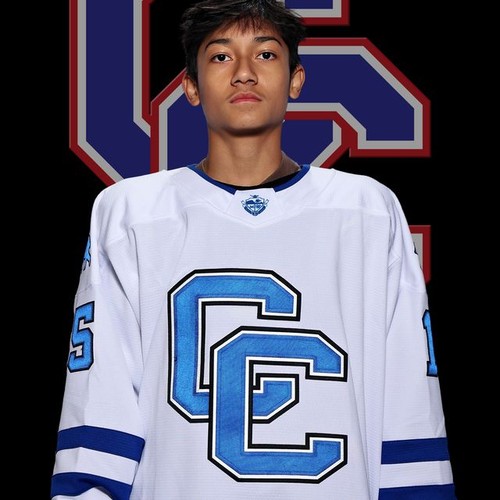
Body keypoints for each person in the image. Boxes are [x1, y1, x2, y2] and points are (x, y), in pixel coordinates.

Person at [51, 0, 455, 498]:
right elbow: (100, 400)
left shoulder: (368, 210)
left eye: (265, 54)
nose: (244, 72)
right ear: (191, 87)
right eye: (221, 56)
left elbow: (409, 399)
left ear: (295, 80)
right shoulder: (130, 213)